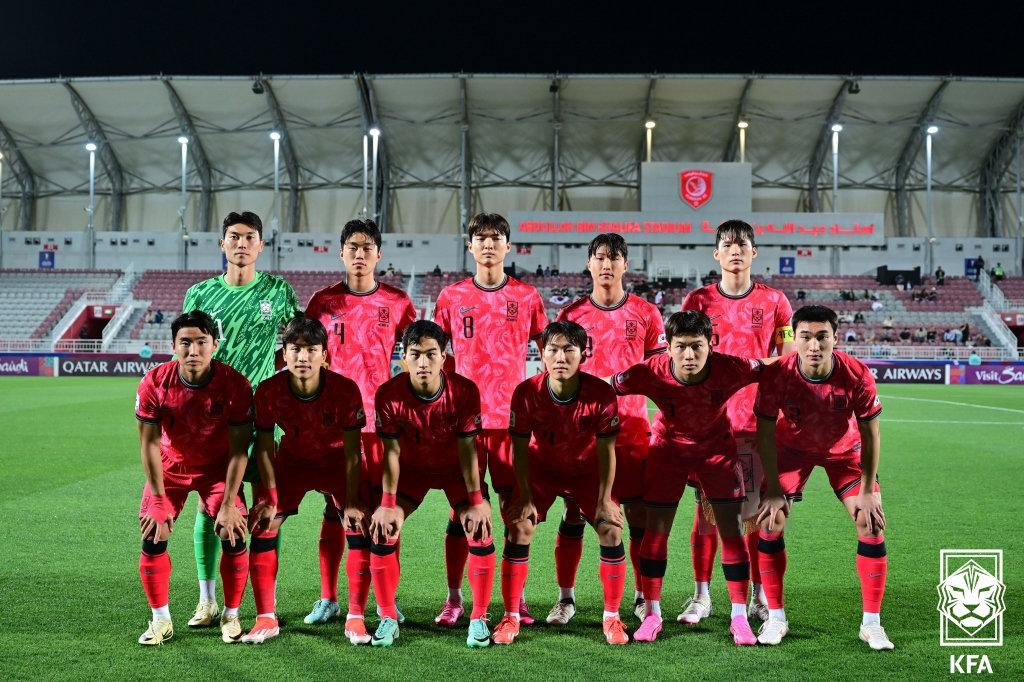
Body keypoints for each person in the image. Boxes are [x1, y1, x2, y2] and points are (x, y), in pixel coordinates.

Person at [613, 310, 770, 645]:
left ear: (710, 344)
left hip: (717, 453)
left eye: (697, 346)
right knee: (656, 533)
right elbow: (606, 386)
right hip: (667, 454)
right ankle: (653, 614)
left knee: (731, 531)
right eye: (681, 346)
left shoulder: (730, 367)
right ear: (667, 347)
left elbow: (771, 366)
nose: (689, 355)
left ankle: (739, 617)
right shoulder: (650, 371)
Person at [181, 211, 300, 629]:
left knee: (269, 505)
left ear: (261, 245)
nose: (242, 244)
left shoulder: (279, 291)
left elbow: (297, 347)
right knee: (211, 505)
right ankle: (207, 599)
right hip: (214, 419)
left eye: (250, 237)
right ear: (222, 243)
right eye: (234, 237)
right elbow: (189, 358)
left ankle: (263, 603)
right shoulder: (199, 295)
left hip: (264, 416)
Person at [754, 305, 893, 650]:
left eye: (822, 337)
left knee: (870, 522)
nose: (814, 345)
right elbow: (765, 434)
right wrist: (772, 489)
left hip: (844, 452)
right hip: (791, 452)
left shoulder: (856, 373)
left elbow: (871, 434)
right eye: (806, 337)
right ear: (795, 338)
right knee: (769, 521)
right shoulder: (777, 375)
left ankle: (872, 624)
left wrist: (867, 490)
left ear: (835, 337)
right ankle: (775, 616)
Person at [432, 212, 547, 626]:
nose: (487, 244)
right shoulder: (450, 297)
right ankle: (454, 598)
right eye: (479, 238)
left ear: (508, 246)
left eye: (495, 237)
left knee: (515, 511)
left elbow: (550, 353)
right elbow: (433, 354)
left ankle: (515, 599)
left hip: (511, 424)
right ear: (470, 246)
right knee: (460, 511)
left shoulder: (529, 297)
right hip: (464, 426)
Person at [302, 219, 417, 627]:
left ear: (379, 254)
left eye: (367, 247)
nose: (360, 253)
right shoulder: (322, 302)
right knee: (334, 510)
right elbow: (306, 357)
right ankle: (329, 597)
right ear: (341, 252)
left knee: (386, 510)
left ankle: (387, 599)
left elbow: (415, 359)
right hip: (333, 424)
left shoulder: (399, 302)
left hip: (381, 424)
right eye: (352, 246)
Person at [679, 219, 794, 626]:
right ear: (716, 254)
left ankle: (760, 597)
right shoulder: (697, 301)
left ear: (753, 252)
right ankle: (701, 596)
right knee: (706, 512)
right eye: (727, 245)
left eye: (742, 244)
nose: (735, 250)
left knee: (758, 512)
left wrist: (753, 368)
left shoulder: (776, 301)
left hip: (760, 423)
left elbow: (789, 356)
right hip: (710, 424)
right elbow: (684, 357)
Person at [553, 234, 666, 623]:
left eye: (614, 258)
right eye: (599, 258)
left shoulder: (647, 314)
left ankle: (639, 596)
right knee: (572, 512)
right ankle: (566, 599)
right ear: (589, 264)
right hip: (580, 435)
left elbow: (658, 374)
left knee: (636, 515)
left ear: (625, 264)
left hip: (632, 429)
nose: (606, 264)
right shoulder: (570, 316)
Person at [495, 320, 627, 645]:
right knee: (519, 527)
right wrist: (525, 495)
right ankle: (510, 615)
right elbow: (519, 450)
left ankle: (612, 618)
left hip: (586, 472)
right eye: (552, 349)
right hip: (541, 470)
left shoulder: (601, 393)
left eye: (569, 350)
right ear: (541, 353)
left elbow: (608, 450)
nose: (560, 357)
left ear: (583, 353)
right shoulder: (526, 392)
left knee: (610, 529)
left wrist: (607, 497)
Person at [368, 321, 495, 648]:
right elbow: (392, 453)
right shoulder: (389, 394)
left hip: (455, 471)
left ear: (443, 357)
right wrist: (386, 504)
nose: (423, 362)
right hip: (412, 472)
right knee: (384, 528)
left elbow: (468, 451)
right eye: (415, 355)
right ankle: (387, 617)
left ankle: (477, 617)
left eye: (431, 354)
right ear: (404, 357)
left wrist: (477, 500)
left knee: (479, 528)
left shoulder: (465, 392)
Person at [242, 318, 367, 644]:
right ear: (284, 353)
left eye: (311, 350)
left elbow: (354, 453)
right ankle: (266, 617)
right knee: (264, 524)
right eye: (295, 349)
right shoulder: (269, 391)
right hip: (293, 463)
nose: (302, 357)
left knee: (358, 524)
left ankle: (355, 616)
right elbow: (266, 450)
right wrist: (268, 497)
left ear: (324, 355)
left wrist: (352, 501)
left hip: (337, 463)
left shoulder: (345, 390)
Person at [134, 311, 254, 646]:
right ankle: (161, 620)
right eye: (185, 342)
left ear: (215, 345)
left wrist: (230, 504)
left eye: (201, 342)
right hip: (170, 471)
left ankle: (230, 614)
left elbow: (238, 450)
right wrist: (157, 500)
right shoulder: (154, 382)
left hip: (218, 471)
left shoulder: (236, 386)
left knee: (234, 533)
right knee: (152, 535)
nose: (193, 350)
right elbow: (149, 443)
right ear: (173, 345)